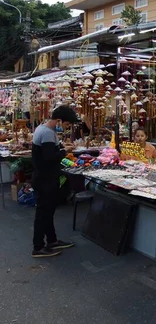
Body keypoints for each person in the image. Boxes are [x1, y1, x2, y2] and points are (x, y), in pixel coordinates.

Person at [31, 106, 79, 258]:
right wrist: (65, 151)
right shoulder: (47, 133)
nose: (66, 128)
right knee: (43, 214)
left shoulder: (44, 129)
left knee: (48, 212)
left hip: (45, 178)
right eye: (66, 125)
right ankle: (38, 247)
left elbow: (49, 152)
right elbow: (49, 157)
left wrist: (62, 147)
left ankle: (51, 241)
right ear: (59, 120)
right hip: (45, 179)